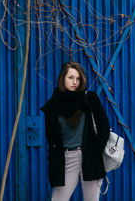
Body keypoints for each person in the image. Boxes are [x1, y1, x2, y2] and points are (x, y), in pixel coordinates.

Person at [40, 61, 110, 201]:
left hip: (90, 157)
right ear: (63, 78)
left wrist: (95, 150)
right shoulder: (53, 105)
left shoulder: (89, 99)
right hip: (66, 159)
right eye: (70, 77)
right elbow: (52, 138)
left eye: (78, 78)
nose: (74, 82)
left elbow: (104, 128)